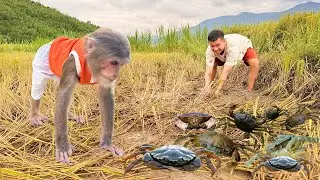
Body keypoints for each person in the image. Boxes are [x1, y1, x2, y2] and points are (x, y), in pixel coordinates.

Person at [203, 30, 259, 96]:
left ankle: (249, 91)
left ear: (224, 42)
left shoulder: (233, 47)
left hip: (243, 47)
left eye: (218, 45)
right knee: (213, 65)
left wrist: (217, 90)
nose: (215, 48)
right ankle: (210, 87)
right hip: (222, 54)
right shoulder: (209, 50)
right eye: (212, 46)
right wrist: (206, 87)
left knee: (255, 63)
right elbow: (208, 72)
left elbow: (225, 72)